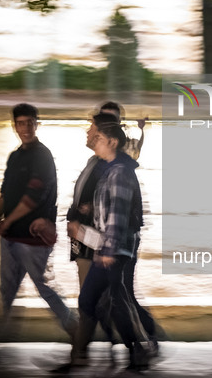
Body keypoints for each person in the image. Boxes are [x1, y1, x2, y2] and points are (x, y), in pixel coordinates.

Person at [60, 113, 155, 373]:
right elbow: (108, 214)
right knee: (108, 301)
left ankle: (138, 347)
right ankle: (137, 348)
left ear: (112, 142)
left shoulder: (120, 172)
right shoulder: (111, 170)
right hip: (109, 248)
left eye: (98, 137)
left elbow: (118, 215)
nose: (94, 142)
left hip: (114, 251)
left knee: (104, 300)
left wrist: (107, 250)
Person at [0, 103, 77, 360]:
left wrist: (6, 221)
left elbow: (32, 198)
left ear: (38, 124)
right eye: (20, 123)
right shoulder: (15, 156)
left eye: (30, 122)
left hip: (33, 239)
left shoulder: (42, 156)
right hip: (10, 236)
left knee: (46, 289)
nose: (25, 128)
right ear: (14, 125)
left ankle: (77, 333)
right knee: (4, 291)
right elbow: (5, 191)